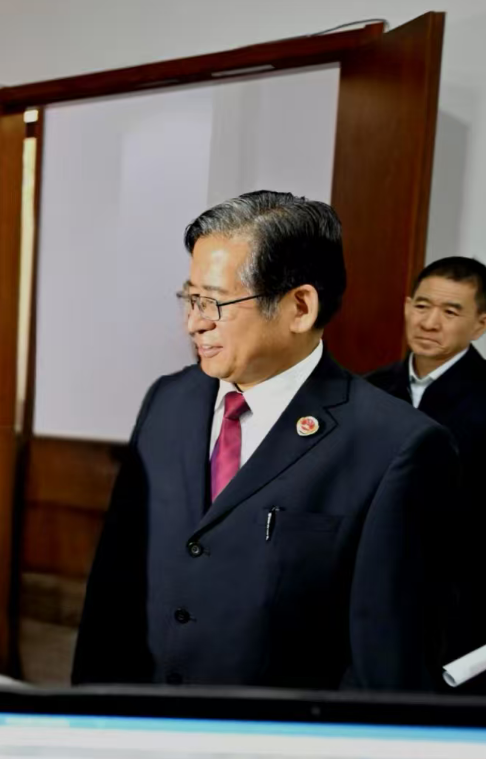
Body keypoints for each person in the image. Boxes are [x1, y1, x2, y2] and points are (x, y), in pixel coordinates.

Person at [72, 191, 459, 692]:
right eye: (190, 298)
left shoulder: (396, 447)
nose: (195, 322)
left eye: (214, 302)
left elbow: (384, 660)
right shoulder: (169, 401)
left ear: (299, 307)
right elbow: (115, 585)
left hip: (279, 734)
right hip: (143, 720)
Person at [367, 256, 486, 679]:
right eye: (422, 305)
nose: (430, 323)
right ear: (406, 306)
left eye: (451, 312)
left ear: (480, 324)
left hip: (460, 604)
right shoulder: (369, 390)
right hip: (372, 594)